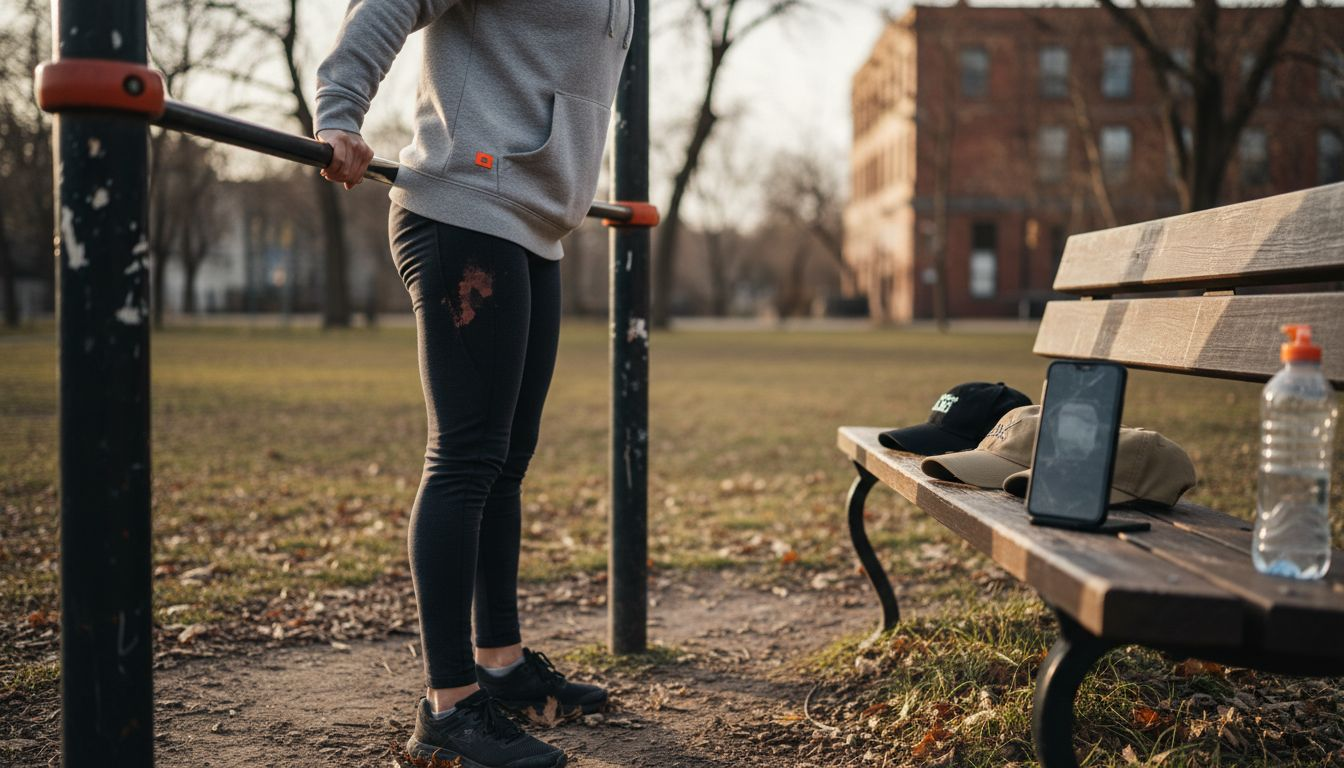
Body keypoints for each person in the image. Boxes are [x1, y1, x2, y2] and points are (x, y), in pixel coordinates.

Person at [314, 2, 635, 766]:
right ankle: (449, 706)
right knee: (464, 460)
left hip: (535, 225)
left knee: (505, 463)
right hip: (466, 201)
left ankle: (502, 666)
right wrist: (338, 111)